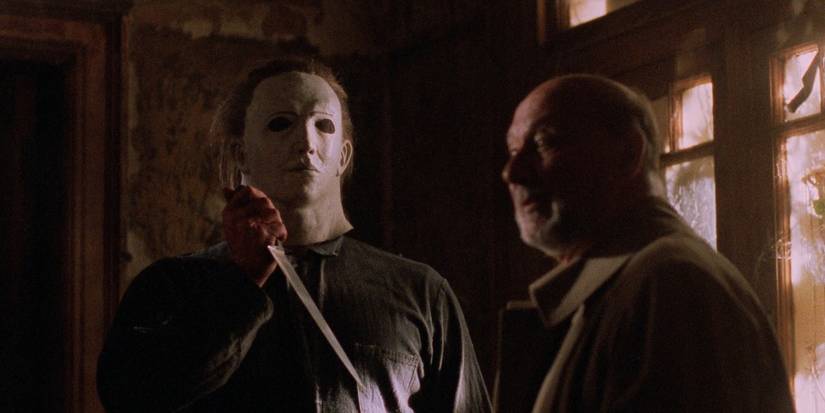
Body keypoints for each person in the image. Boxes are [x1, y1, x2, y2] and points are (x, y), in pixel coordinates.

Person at [97, 57, 491, 412]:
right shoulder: (173, 286)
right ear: (241, 154)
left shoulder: (421, 293)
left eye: (324, 125)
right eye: (280, 123)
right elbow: (128, 397)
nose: (306, 142)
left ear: (343, 156)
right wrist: (242, 287)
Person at [497, 74, 794, 412]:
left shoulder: (670, 284)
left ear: (628, 153)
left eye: (545, 142)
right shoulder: (632, 287)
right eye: (514, 151)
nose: (512, 172)